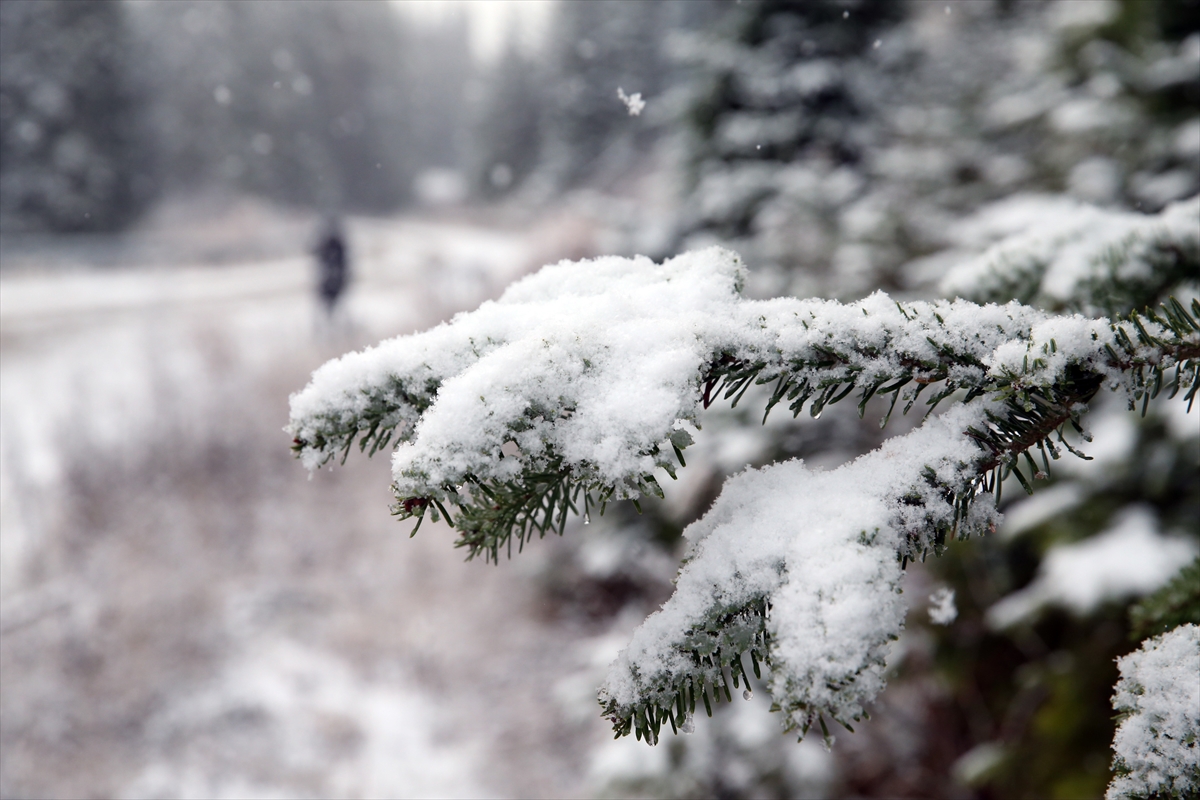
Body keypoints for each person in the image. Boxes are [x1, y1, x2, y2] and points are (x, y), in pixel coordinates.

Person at [314, 217, 349, 320]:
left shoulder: (329, 243)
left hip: (331, 277)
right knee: (332, 303)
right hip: (332, 277)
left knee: (332, 304)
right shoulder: (337, 243)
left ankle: (332, 321)